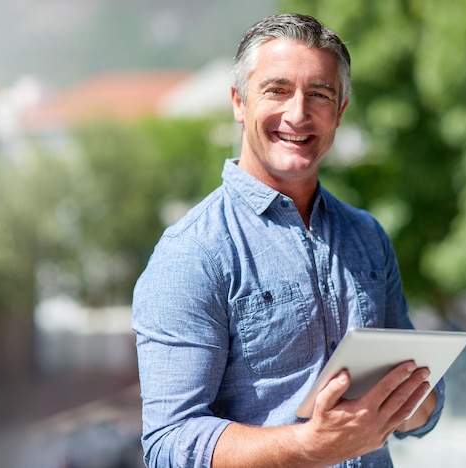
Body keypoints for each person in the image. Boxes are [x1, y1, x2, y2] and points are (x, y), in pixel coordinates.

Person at [132, 13, 445, 468]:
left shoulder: (368, 236)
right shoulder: (193, 254)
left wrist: (411, 400)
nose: (298, 114)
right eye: (277, 90)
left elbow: (422, 410)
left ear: (339, 112)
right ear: (239, 102)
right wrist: (310, 445)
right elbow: (167, 443)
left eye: (319, 94)